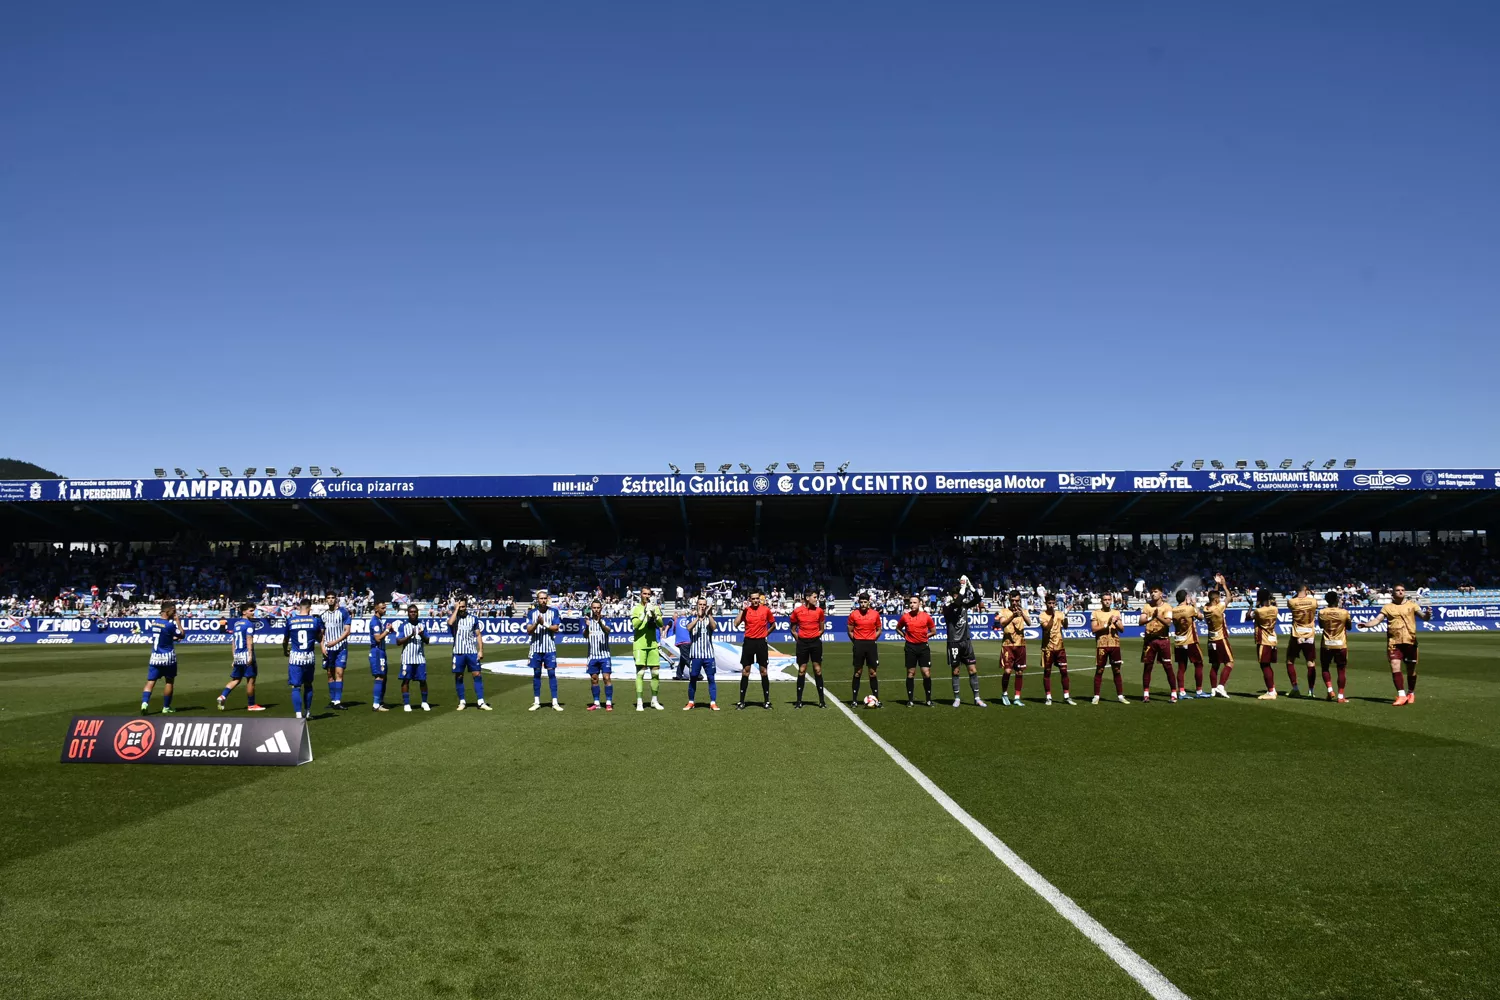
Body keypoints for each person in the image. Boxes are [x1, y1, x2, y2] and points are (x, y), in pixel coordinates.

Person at [1364, 584, 1430, 706]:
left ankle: (1411, 692)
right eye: (1397, 590)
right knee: (1395, 666)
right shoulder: (1387, 607)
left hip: (1410, 641)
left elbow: (1424, 617)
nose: (1400, 592)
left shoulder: (1412, 605)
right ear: (1393, 593)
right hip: (1394, 642)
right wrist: (1367, 624)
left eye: (1402, 590)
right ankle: (1401, 695)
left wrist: (1428, 615)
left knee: (1411, 670)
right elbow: (1377, 620)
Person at [941, 576, 987, 707]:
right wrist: (962, 586)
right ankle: (957, 698)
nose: (958, 597)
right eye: (955, 595)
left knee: (972, 670)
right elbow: (957, 602)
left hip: (966, 642)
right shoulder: (948, 608)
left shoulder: (965, 606)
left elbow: (978, 599)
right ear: (953, 596)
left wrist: (971, 586)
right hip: (953, 643)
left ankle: (977, 698)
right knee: (956, 671)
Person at [216, 601, 265, 711]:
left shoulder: (237, 624)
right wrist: (250, 656)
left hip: (238, 656)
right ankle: (251, 705)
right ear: (244, 612)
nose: (253, 613)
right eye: (251, 611)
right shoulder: (249, 625)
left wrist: (234, 657)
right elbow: (249, 641)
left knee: (236, 679)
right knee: (251, 680)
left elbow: (233, 641)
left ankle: (223, 696)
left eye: (254, 610)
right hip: (246, 655)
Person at [140, 600, 185, 715]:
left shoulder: (154, 623)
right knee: (169, 682)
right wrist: (178, 622)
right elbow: (182, 634)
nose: (175, 613)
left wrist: (171, 638)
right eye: (173, 611)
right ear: (167, 610)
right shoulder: (170, 624)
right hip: (167, 657)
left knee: (150, 681)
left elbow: (163, 637)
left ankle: (144, 703)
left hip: (155, 656)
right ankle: (166, 707)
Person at [283, 597, 323, 719]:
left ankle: (298, 714)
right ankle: (308, 712)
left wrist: (285, 650)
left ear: (299, 608)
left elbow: (285, 640)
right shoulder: (315, 621)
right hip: (309, 657)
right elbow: (320, 637)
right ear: (309, 608)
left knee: (296, 687)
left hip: (295, 657)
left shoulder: (290, 621)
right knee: (308, 685)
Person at [734, 590, 775, 710]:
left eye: (757, 598)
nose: (756, 600)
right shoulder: (746, 611)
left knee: (764, 671)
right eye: (753, 599)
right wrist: (742, 610)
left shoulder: (766, 610)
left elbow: (773, 625)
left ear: (760, 599)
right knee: (745, 671)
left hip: (761, 643)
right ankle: (742, 701)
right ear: (750, 600)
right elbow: (736, 624)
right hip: (749, 642)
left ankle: (766, 701)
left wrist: (765, 634)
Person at [448, 596, 490, 711]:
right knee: (459, 676)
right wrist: (455, 609)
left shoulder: (473, 619)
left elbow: (478, 635)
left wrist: (480, 650)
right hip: (458, 652)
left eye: (463, 606)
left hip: (471, 652)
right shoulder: (455, 618)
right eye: (460, 606)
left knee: (477, 675)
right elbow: (450, 623)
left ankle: (481, 702)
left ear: (467, 606)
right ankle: (462, 701)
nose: (462, 608)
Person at [788, 590, 827, 708]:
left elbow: (822, 629)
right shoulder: (797, 611)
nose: (816, 599)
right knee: (802, 670)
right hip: (802, 644)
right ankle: (799, 701)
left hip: (815, 643)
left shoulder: (819, 611)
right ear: (807, 598)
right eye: (815, 597)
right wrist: (799, 639)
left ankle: (821, 701)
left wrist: (814, 637)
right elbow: (793, 629)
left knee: (818, 670)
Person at [527, 590, 563, 712]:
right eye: (540, 598)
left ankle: (555, 702)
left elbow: (556, 628)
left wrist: (545, 624)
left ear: (547, 599)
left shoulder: (553, 611)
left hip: (549, 649)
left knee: (551, 674)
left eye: (544, 598)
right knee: (536, 674)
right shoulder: (532, 613)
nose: (542, 601)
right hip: (535, 649)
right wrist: (537, 623)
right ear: (537, 600)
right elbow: (529, 630)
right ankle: (537, 701)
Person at [896, 594, 935, 706]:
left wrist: (925, 637)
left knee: (926, 673)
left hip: (923, 647)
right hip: (910, 647)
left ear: (920, 604)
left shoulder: (926, 616)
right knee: (910, 673)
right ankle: (910, 700)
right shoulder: (905, 617)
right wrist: (904, 636)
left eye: (914, 603)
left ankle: (928, 699)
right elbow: (898, 628)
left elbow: (933, 631)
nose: (912, 605)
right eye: (911, 603)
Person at [682, 597, 720, 711]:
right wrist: (698, 618)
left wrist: (709, 615)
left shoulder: (709, 619)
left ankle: (713, 702)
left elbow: (714, 627)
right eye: (700, 604)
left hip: (708, 655)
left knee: (711, 678)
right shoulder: (691, 618)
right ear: (696, 605)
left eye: (704, 604)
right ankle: (691, 702)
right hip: (695, 655)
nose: (702, 606)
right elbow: (688, 628)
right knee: (693, 678)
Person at [1171, 589, 1209, 699]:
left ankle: (1182, 692)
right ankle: (1199, 690)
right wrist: (1195, 604)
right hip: (1190, 640)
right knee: (1199, 664)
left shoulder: (1173, 610)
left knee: (1181, 667)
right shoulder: (1190, 609)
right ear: (1186, 598)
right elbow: (1201, 617)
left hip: (1178, 641)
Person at [847, 591, 882, 707]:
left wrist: (872, 639)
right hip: (859, 645)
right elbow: (850, 631)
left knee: (873, 673)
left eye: (865, 602)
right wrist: (856, 641)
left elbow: (879, 629)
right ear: (858, 603)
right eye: (861, 602)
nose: (863, 604)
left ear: (869, 602)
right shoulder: (853, 614)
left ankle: (877, 699)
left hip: (871, 645)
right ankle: (854, 700)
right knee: (858, 672)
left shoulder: (875, 614)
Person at [996, 592, 1031, 706]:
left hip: (1020, 645)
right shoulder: (1004, 611)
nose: (1014, 602)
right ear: (1009, 600)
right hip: (1007, 645)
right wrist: (1013, 616)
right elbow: (1002, 623)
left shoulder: (1024, 611)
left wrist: (1021, 613)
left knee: (1019, 672)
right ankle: (1004, 694)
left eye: (1017, 600)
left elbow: (1029, 623)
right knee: (1007, 671)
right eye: (1012, 600)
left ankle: (1017, 697)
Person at [1038, 593, 1074, 705]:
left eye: (1053, 603)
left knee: (1064, 671)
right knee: (1047, 672)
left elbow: (1066, 626)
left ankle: (1066, 696)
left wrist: (1066, 615)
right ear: (1046, 603)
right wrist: (1053, 616)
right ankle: (1048, 697)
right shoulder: (1042, 615)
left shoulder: (1059, 614)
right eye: (1049, 603)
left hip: (1060, 647)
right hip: (1048, 648)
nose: (1051, 605)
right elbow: (1047, 628)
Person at [1091, 592, 1127, 704]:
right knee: (1100, 670)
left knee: (1116, 670)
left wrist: (1116, 622)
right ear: (1101, 601)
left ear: (1111, 601)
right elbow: (1094, 629)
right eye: (1105, 599)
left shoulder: (1116, 612)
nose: (1107, 601)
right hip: (1101, 645)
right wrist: (1107, 623)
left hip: (1115, 644)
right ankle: (1096, 696)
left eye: (1109, 599)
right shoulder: (1096, 613)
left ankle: (1120, 696)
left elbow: (1122, 629)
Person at [395, 603, 431, 712]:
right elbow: (398, 642)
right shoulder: (403, 626)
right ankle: (406, 704)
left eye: (415, 612)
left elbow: (428, 641)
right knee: (406, 680)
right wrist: (410, 636)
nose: (413, 613)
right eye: (411, 612)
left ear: (417, 613)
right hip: (407, 658)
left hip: (420, 658)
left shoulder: (422, 625)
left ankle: (424, 702)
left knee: (423, 680)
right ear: (408, 613)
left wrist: (421, 635)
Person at [1318, 591, 1352, 702]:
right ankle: (1341, 696)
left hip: (1327, 643)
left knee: (1325, 667)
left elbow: (1321, 625)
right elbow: (1349, 626)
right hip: (1340, 644)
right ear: (1337, 600)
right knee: (1341, 670)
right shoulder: (1344, 612)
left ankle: (1329, 690)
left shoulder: (1322, 612)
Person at [1286, 584, 1319, 697]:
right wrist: (1310, 595)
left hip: (1296, 635)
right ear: (1306, 589)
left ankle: (1295, 688)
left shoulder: (1291, 601)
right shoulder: (1313, 601)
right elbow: (1315, 603)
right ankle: (1311, 691)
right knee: (1310, 663)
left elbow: (1293, 602)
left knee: (1290, 661)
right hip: (1309, 634)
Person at [321, 595, 352, 710]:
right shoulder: (323, 615)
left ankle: (338, 701)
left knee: (339, 673)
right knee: (330, 674)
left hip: (340, 648)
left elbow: (347, 631)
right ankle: (333, 700)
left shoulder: (343, 612)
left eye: (333, 598)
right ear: (326, 600)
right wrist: (322, 647)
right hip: (328, 649)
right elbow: (321, 634)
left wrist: (335, 642)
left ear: (336, 600)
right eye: (328, 598)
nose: (331, 600)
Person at [1204, 576, 1233, 697]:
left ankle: (1213, 689)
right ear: (1216, 600)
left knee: (1215, 665)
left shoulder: (1206, 609)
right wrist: (1224, 585)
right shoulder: (1218, 608)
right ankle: (1221, 686)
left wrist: (1216, 586)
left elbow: (1211, 597)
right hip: (1220, 639)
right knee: (1229, 663)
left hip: (1211, 640)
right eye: (1219, 598)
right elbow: (1229, 597)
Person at [583, 599, 614, 712]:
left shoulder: (606, 620)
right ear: (591, 609)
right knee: (594, 679)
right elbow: (585, 636)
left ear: (601, 608)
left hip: (604, 655)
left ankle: (609, 702)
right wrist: (587, 627)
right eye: (594, 608)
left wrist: (600, 622)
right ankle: (596, 703)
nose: (596, 610)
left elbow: (608, 631)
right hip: (592, 656)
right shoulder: (588, 622)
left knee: (606, 678)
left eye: (598, 607)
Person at [1253, 590, 1282, 700]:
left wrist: (1252, 605)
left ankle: (1271, 691)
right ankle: (1272, 689)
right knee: (1268, 665)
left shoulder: (1258, 611)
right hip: (1272, 638)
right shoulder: (1275, 609)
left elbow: (1247, 616)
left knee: (1264, 665)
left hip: (1263, 640)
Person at [368, 599, 394, 712]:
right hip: (377, 651)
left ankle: (380, 701)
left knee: (384, 676)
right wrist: (387, 631)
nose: (384, 610)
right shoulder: (375, 621)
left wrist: (387, 630)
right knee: (379, 676)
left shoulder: (379, 620)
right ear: (376, 609)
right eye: (382, 608)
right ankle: (376, 704)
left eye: (385, 607)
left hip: (381, 651)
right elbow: (377, 638)